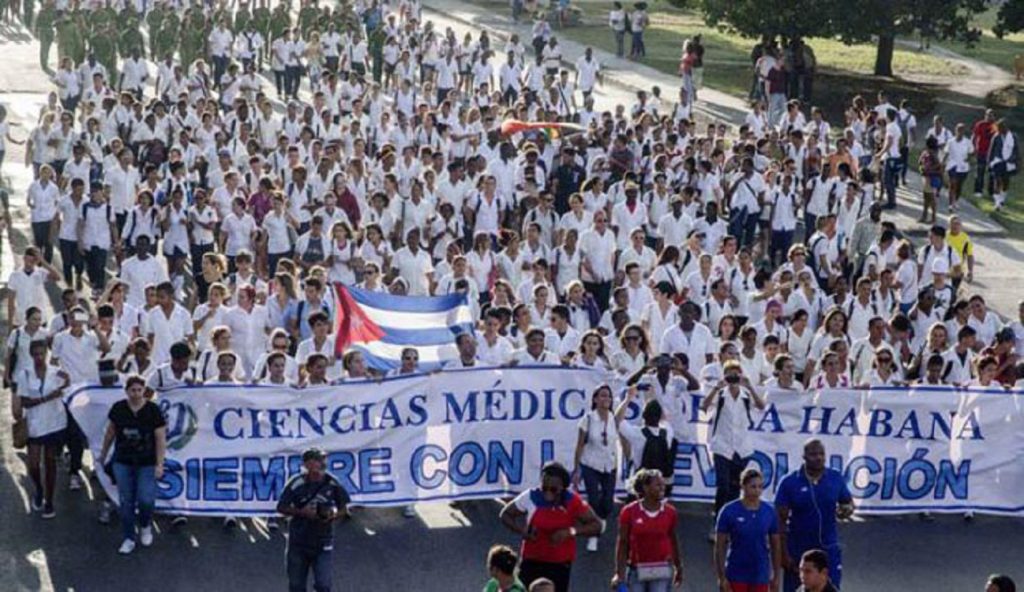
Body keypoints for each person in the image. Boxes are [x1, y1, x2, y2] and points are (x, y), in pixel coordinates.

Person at [499, 461, 602, 592]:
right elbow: (505, 514)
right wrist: (522, 531)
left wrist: (570, 531)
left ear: (563, 487)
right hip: (532, 561)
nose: (547, 492)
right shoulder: (531, 497)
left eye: (553, 489)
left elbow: (597, 525)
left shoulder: (572, 501)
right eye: (544, 487)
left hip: (559, 565)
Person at [98, 374, 167, 554]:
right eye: (132, 390)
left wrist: (160, 464)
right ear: (127, 391)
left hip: (147, 462)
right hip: (123, 461)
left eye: (139, 390)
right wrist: (103, 454)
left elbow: (160, 438)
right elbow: (110, 433)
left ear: (144, 391)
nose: (136, 394)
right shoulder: (119, 409)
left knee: (145, 499)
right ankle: (129, 537)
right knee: (125, 501)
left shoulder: (153, 410)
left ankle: (145, 525)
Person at [776, 440, 854, 592]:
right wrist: (783, 554)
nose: (818, 458)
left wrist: (847, 509)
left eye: (821, 454)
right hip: (799, 549)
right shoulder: (789, 482)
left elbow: (848, 502)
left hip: (828, 547)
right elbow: (779, 521)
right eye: (813, 454)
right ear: (804, 457)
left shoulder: (835, 478)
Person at [702, 360, 766, 540]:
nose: (733, 378)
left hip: (741, 447)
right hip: (722, 446)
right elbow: (704, 406)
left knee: (735, 487)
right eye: (729, 374)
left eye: (735, 374)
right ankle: (717, 525)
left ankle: (730, 525)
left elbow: (762, 406)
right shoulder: (720, 394)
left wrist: (750, 386)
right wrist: (717, 387)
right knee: (722, 485)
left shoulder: (746, 395)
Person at [277, 447, 350, 592]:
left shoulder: (332, 483)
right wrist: (302, 512)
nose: (323, 463)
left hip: (323, 542)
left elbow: (344, 509)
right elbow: (281, 507)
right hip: (298, 542)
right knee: (296, 586)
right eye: (318, 460)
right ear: (307, 465)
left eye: (323, 459)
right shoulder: (296, 483)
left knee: (324, 585)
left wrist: (333, 514)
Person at [18, 339, 70, 519]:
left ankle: (49, 501)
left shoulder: (56, 373)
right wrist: (47, 398)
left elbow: (67, 385)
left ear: (47, 354)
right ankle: (39, 490)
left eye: (42, 354)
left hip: (54, 423)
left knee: (50, 462)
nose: (39, 357)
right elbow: (24, 402)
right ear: (31, 355)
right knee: (33, 464)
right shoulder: (24, 374)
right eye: (36, 354)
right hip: (34, 425)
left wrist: (66, 381)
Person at [612, 468, 684, 592]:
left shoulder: (670, 512)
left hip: (661, 569)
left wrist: (678, 566)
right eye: (658, 485)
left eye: (663, 484)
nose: (662, 488)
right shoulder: (629, 512)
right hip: (636, 569)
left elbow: (673, 540)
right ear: (645, 488)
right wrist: (619, 573)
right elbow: (623, 543)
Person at [714, 467, 781, 592]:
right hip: (736, 572)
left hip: (760, 573)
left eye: (760, 487)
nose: (757, 491)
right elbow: (720, 546)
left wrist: (776, 576)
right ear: (743, 486)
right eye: (753, 486)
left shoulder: (769, 511)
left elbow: (776, 545)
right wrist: (721, 577)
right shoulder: (729, 511)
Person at [571, 383, 618, 553]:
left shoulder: (613, 417)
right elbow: (579, 446)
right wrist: (576, 470)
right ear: (595, 399)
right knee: (593, 499)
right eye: (603, 396)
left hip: (609, 465)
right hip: (590, 463)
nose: (606, 399)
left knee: (607, 503)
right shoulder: (588, 419)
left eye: (608, 396)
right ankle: (593, 535)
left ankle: (600, 520)